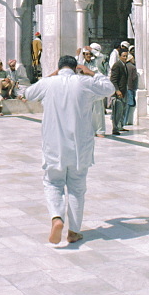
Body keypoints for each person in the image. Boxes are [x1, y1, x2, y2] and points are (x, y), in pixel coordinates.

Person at [25, 55, 115, 245]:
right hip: (79, 147)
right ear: (76, 68)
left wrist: (50, 76)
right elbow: (109, 89)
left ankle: (56, 218)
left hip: (54, 146)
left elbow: (28, 93)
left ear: (59, 68)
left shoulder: (49, 83)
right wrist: (93, 72)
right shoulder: (84, 82)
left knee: (53, 183)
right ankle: (74, 231)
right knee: (77, 187)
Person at [79, 47, 107, 137]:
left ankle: (100, 131)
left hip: (95, 90)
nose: (88, 56)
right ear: (83, 55)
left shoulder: (95, 63)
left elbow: (101, 57)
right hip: (85, 91)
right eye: (86, 54)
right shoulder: (80, 64)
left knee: (98, 111)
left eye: (90, 54)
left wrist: (92, 50)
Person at [109, 49, 130, 136]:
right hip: (118, 92)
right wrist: (117, 90)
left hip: (124, 91)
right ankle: (115, 128)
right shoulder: (117, 65)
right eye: (123, 56)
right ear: (119, 56)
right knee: (117, 110)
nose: (125, 57)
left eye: (126, 56)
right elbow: (113, 79)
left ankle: (120, 126)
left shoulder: (124, 65)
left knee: (122, 110)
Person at [123, 50, 139, 128]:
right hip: (130, 87)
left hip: (124, 87)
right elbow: (134, 78)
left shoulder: (124, 66)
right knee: (129, 105)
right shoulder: (132, 67)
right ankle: (125, 121)